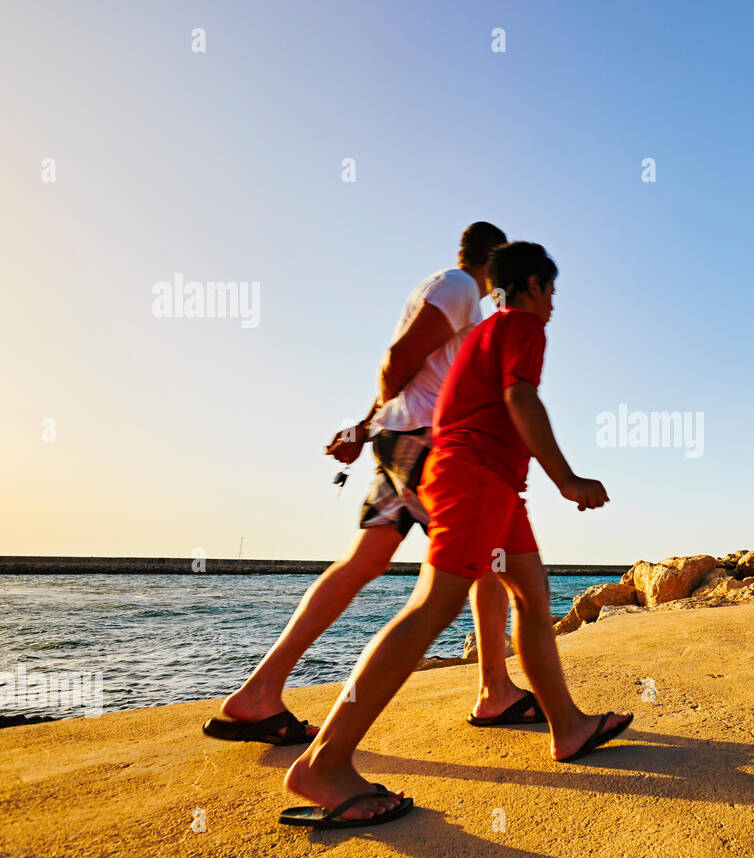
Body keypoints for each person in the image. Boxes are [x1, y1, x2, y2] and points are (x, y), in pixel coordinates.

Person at [279, 241, 631, 827]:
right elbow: (521, 397)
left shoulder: (485, 332)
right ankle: (325, 762)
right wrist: (568, 479)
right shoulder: (520, 325)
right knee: (431, 607)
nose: (553, 306)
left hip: (495, 486)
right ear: (536, 286)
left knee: (533, 594)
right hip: (474, 481)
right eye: (553, 293)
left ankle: (566, 727)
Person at [204, 222, 545, 747]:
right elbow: (397, 362)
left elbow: (401, 371)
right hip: (428, 443)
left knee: (365, 564)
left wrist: (367, 428)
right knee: (488, 562)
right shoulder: (456, 289)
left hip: (399, 437)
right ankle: (492, 691)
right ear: (494, 260)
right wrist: (369, 427)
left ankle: (258, 693)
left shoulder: (443, 289)